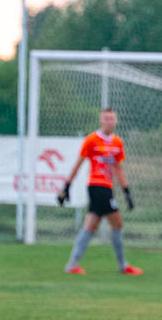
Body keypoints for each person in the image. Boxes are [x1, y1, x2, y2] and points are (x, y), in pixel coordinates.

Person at [57, 108, 142, 276]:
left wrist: (126, 191)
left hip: (107, 187)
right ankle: (122, 266)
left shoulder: (117, 142)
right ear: (100, 121)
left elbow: (118, 168)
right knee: (116, 223)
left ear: (116, 121)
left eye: (112, 119)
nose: (109, 122)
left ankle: (72, 264)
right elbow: (78, 163)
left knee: (91, 224)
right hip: (96, 186)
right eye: (106, 118)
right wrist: (66, 187)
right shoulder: (92, 140)